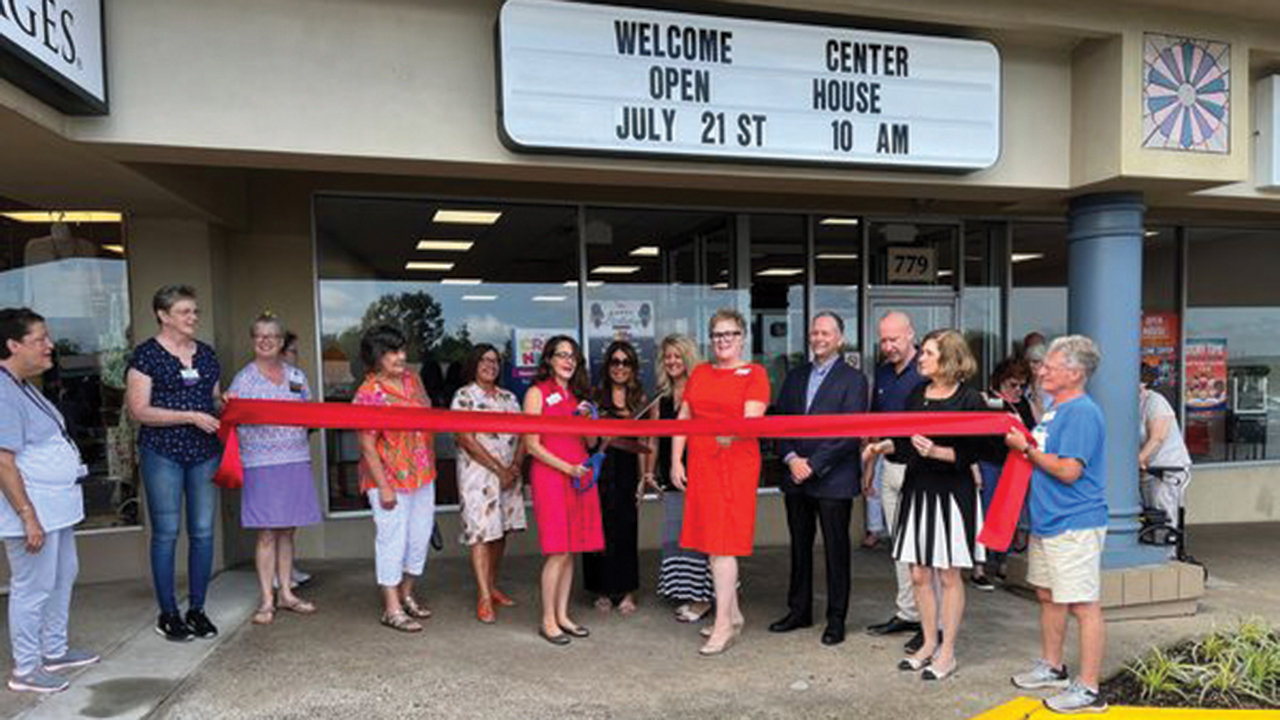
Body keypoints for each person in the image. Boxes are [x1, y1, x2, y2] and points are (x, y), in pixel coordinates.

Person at [865, 329, 997, 681]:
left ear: (949, 359)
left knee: (950, 575)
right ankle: (927, 643)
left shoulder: (970, 400)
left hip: (953, 494)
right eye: (922, 352)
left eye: (927, 353)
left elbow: (981, 451)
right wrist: (881, 448)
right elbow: (908, 444)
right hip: (918, 489)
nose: (920, 358)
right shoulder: (916, 394)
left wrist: (938, 452)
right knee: (919, 573)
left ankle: (948, 651)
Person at [1006, 335, 1109, 714]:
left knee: (1083, 604)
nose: (1041, 370)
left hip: (1075, 522)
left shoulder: (1081, 411)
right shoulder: (1054, 409)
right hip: (1049, 522)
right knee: (1049, 596)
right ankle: (1053, 667)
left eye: (1049, 365)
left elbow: (1068, 470)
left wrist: (1027, 450)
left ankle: (1089, 690)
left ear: (1075, 372)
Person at [0, 309, 100, 693]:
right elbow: (4, 460)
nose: (50, 346)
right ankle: (26, 669)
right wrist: (27, 516)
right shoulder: (3, 390)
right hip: (34, 509)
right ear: (13, 345)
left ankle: (54, 650)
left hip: (56, 506)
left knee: (62, 576)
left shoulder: (23, 384)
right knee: (32, 586)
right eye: (40, 339)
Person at [125, 285, 223, 642]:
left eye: (195, 311)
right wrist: (190, 416)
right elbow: (139, 411)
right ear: (163, 315)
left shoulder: (207, 355)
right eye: (185, 312)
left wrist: (228, 405)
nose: (193, 318)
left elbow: (213, 399)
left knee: (203, 532)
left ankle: (197, 609)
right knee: (166, 533)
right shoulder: (146, 355)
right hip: (163, 452)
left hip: (204, 454)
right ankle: (168, 613)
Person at [670, 309, 771, 656]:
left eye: (730, 334)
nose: (723, 340)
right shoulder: (699, 373)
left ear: (742, 337)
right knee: (712, 545)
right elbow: (684, 418)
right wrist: (675, 460)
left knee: (724, 547)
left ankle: (724, 625)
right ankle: (734, 613)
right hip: (702, 466)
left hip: (734, 468)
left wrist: (723, 437)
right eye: (717, 335)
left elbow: (750, 421)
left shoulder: (755, 373)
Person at [769, 311, 868, 646]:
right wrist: (792, 458)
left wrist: (814, 463)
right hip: (795, 476)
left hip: (832, 478)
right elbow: (777, 422)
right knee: (799, 547)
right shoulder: (795, 376)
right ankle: (799, 611)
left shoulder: (854, 380)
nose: (819, 338)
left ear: (840, 338)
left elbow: (850, 432)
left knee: (836, 551)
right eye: (814, 333)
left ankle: (836, 619)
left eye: (826, 333)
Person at [227, 314, 322, 626]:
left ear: (282, 342)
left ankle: (287, 594)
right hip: (261, 465)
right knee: (267, 532)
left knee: (288, 530)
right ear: (253, 340)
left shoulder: (296, 376)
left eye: (272, 336)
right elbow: (231, 419)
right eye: (259, 336)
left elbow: (309, 416)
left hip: (294, 460)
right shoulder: (244, 380)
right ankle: (267, 599)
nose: (266, 341)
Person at [353, 325, 437, 633]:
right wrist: (385, 486)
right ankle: (391, 608)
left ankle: (406, 594)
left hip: (422, 473)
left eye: (401, 350)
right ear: (376, 357)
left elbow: (428, 411)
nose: (400, 357)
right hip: (387, 478)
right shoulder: (368, 393)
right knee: (392, 541)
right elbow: (365, 445)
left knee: (419, 538)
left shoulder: (413, 380)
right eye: (391, 352)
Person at [523, 335, 601, 645]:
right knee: (558, 550)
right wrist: (566, 468)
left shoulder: (579, 398)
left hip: (579, 477)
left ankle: (563, 615)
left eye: (573, 357)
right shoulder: (536, 393)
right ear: (549, 360)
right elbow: (531, 445)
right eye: (562, 355)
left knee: (571, 550)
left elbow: (591, 444)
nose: (568, 361)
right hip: (551, 477)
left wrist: (589, 422)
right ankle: (547, 619)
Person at [864, 311, 928, 651]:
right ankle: (908, 612)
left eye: (894, 339)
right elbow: (876, 423)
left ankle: (933, 623)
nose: (888, 346)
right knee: (901, 548)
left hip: (920, 471)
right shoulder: (884, 372)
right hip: (888, 467)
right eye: (883, 340)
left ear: (911, 335)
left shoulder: (926, 371)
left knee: (923, 552)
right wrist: (868, 470)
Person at [450, 344, 526, 624]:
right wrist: (498, 469)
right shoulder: (464, 396)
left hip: (509, 476)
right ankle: (483, 596)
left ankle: (492, 585)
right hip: (479, 476)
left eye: (494, 361)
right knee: (482, 533)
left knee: (501, 531)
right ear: (474, 364)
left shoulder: (509, 398)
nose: (490, 365)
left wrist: (515, 466)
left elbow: (524, 435)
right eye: (484, 360)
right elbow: (465, 439)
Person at [649, 334, 714, 623]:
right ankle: (691, 594)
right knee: (677, 536)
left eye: (677, 356)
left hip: (700, 474)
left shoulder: (701, 391)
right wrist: (649, 473)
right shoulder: (660, 397)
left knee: (701, 535)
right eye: (668, 357)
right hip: (671, 476)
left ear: (688, 358)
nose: (672, 361)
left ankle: (705, 599)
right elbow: (652, 439)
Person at [583, 340, 645, 614]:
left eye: (626, 362)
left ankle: (627, 590)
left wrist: (645, 477)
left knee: (626, 531)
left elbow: (645, 442)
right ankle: (602, 589)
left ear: (633, 368)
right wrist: (592, 425)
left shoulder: (641, 400)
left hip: (628, 472)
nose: (620, 367)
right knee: (598, 530)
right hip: (600, 470)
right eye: (615, 362)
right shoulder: (594, 396)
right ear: (607, 366)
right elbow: (588, 443)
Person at [973, 357, 1036, 590]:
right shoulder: (985, 401)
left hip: (1012, 465)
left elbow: (1032, 432)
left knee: (1008, 514)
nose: (1018, 390)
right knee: (986, 512)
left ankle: (1002, 561)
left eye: (1022, 385)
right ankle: (979, 564)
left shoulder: (1023, 404)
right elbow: (973, 436)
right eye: (1013, 385)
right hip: (988, 462)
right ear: (1000, 381)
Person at [1138, 365, 1191, 548]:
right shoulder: (1133, 404)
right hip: (1148, 470)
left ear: (1143, 382)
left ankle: (1168, 553)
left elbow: (1157, 437)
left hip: (1167, 467)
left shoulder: (1155, 402)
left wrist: (1138, 460)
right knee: (1150, 514)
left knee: (1163, 512)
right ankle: (1154, 547)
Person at [276, 330, 312, 590]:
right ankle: (277, 573)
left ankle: (288, 566)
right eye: (292, 351)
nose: (295, 356)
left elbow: (307, 406)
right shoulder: (256, 377)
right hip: (271, 458)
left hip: (297, 452)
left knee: (292, 516)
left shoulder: (298, 377)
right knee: (275, 518)